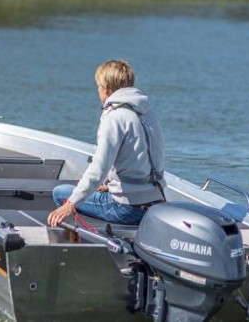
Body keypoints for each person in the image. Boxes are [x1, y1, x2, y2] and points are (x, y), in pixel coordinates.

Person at [47, 59, 167, 228]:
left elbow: (99, 168)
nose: (98, 91)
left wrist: (70, 204)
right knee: (87, 191)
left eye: (99, 87)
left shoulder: (115, 117)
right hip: (156, 202)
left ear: (107, 89)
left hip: (126, 208)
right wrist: (111, 186)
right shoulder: (149, 114)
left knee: (61, 193)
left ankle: (85, 238)